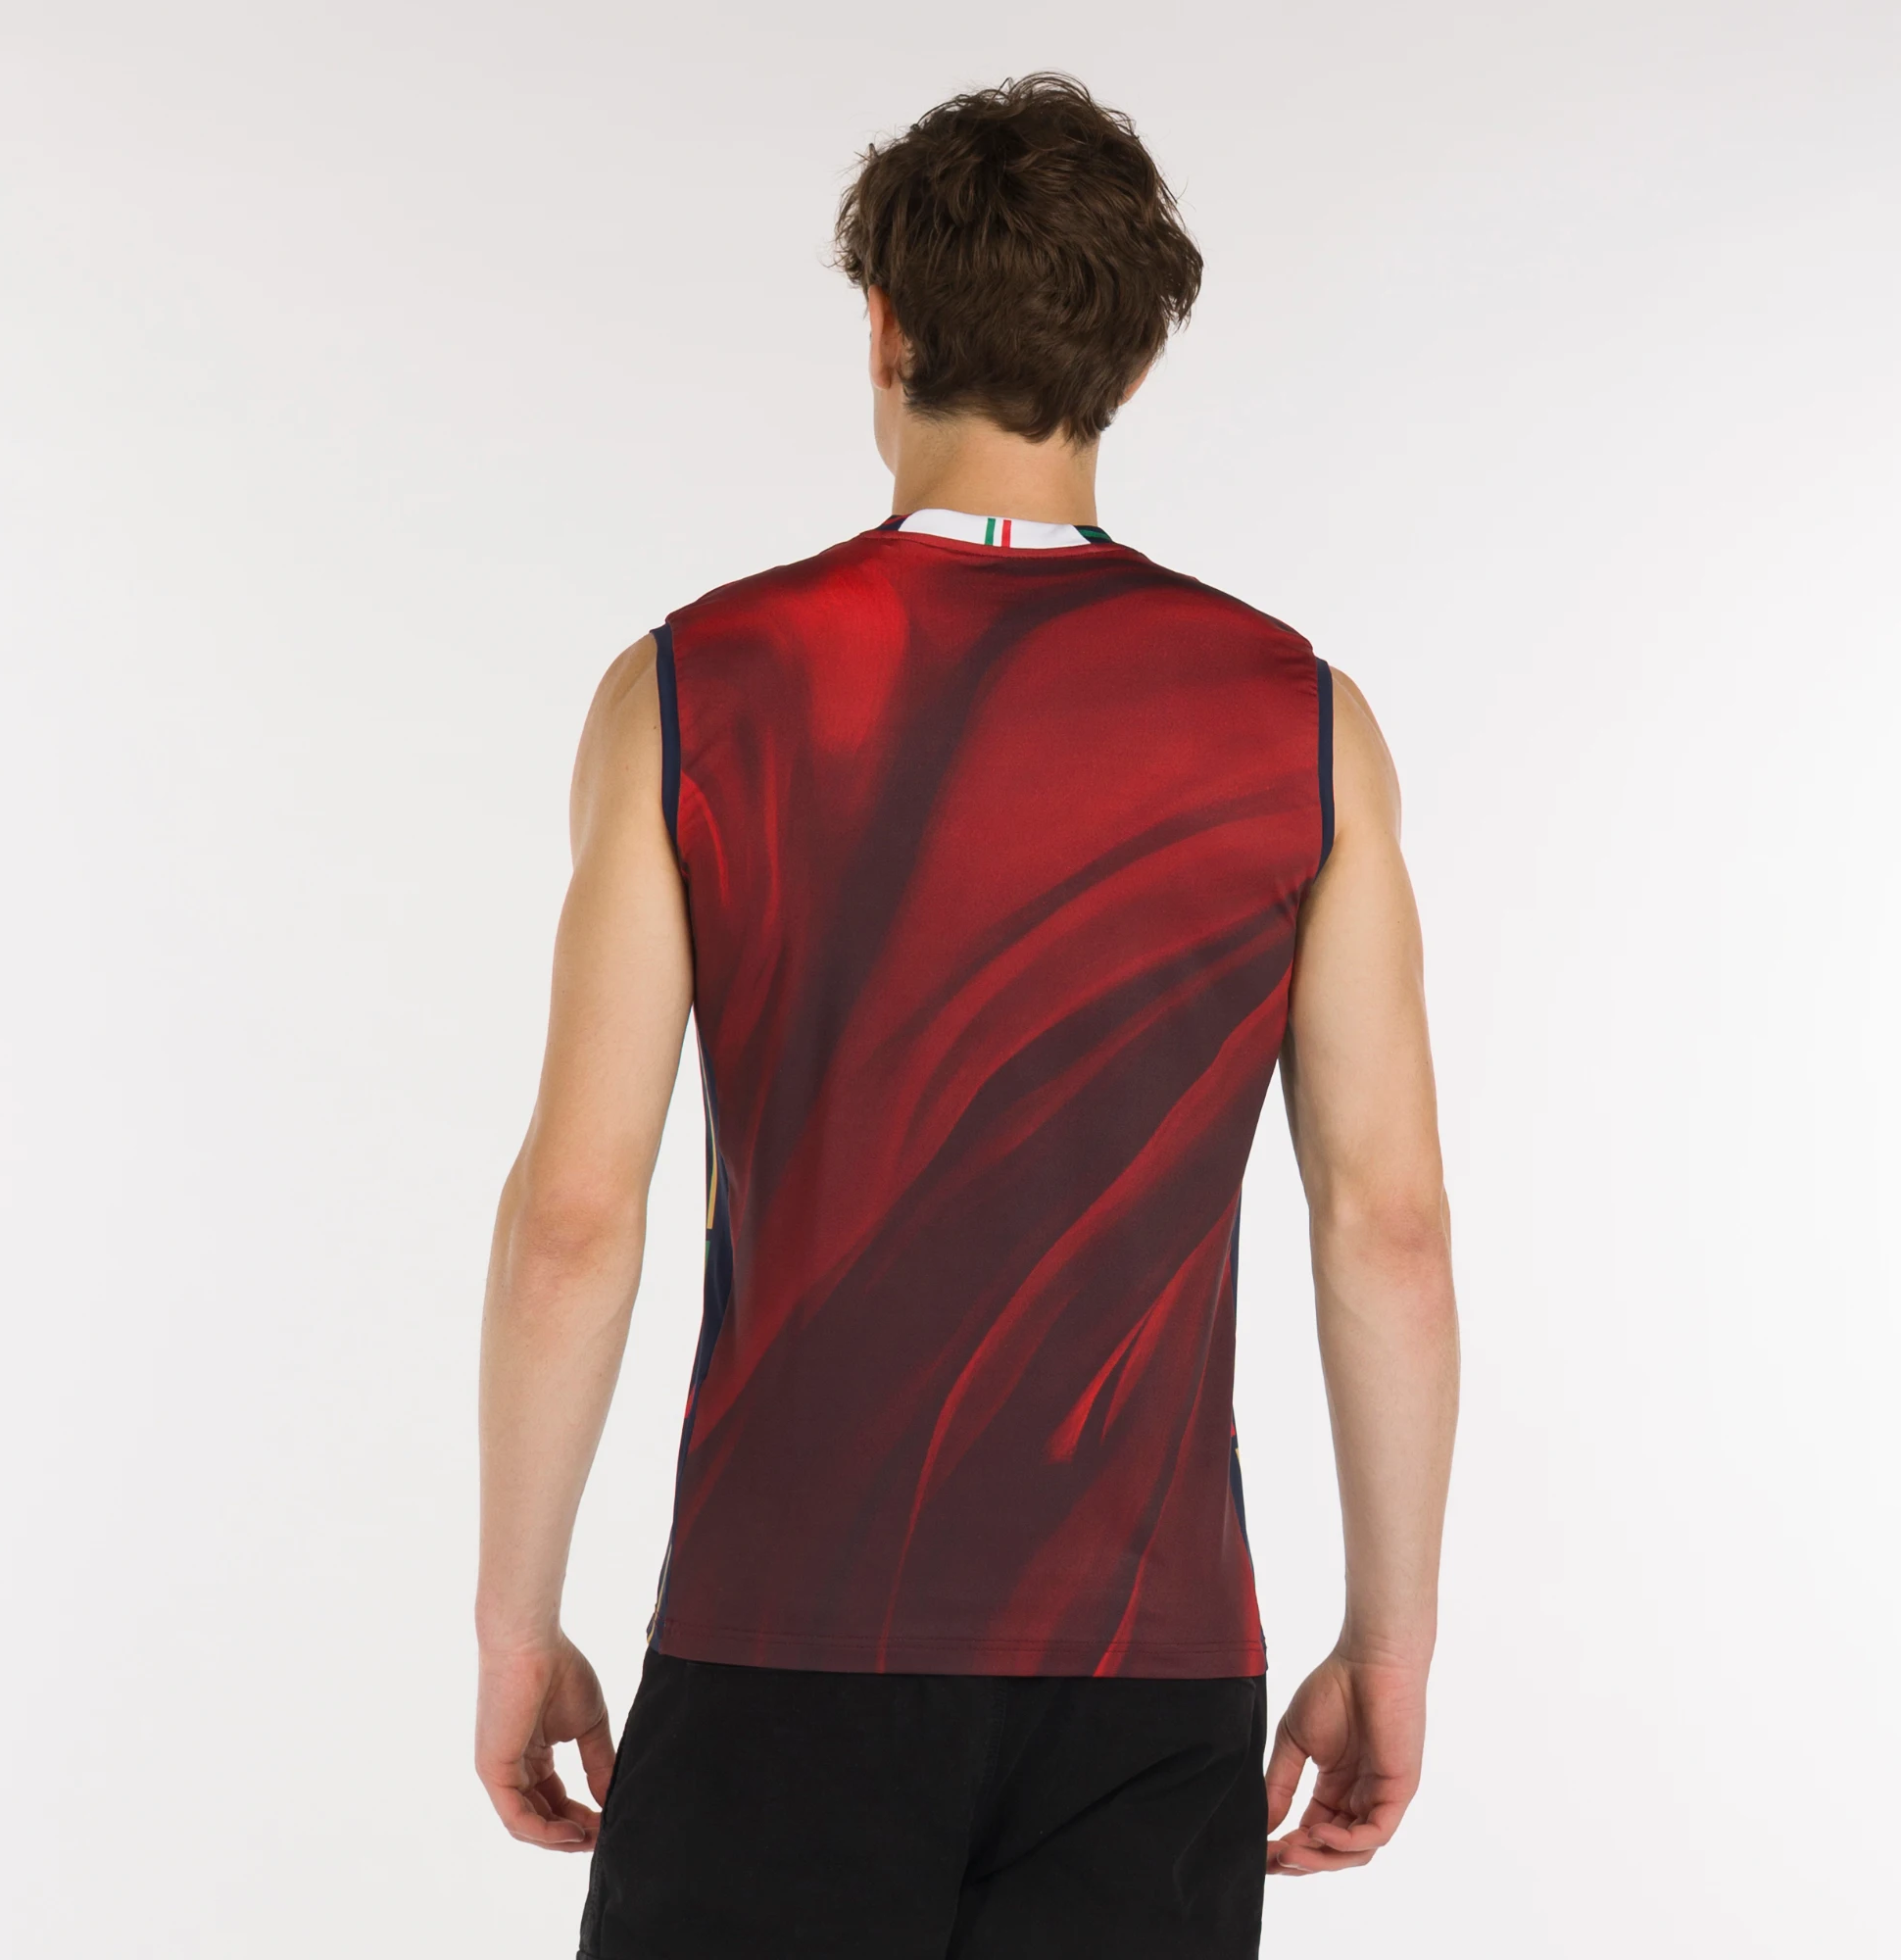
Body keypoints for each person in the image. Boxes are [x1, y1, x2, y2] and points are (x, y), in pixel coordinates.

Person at [474, 73, 1458, 1958]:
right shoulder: (1303, 725)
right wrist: (1388, 1644)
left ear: (884, 325)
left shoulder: (694, 691)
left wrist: (518, 1624)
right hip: (1147, 1675)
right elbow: (1388, 1226)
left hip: (777, 1649)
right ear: (1132, 361)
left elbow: (577, 1218)